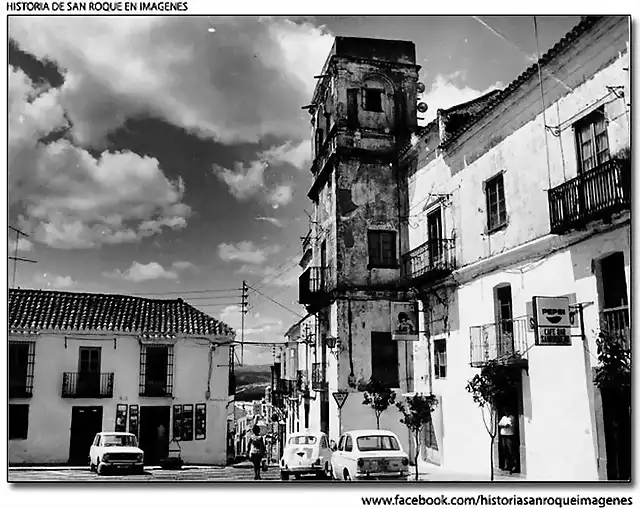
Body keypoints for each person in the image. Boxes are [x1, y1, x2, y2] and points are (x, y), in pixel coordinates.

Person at [498, 409, 517, 473]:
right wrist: (503, 425)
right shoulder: (504, 417)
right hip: (503, 436)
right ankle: (507, 465)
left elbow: (507, 425)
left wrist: (503, 425)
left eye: (507, 410)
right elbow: (499, 424)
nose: (505, 412)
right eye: (505, 411)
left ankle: (514, 465)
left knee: (511, 450)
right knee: (505, 450)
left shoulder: (511, 417)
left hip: (509, 436)